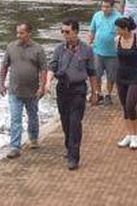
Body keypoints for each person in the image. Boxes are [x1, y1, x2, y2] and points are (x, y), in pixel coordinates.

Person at [45, 18, 95, 170]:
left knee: (75, 123)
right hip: (62, 88)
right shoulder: (59, 49)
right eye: (62, 32)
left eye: (67, 32)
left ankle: (74, 157)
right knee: (65, 121)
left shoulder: (86, 49)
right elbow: (52, 67)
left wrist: (95, 92)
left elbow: (92, 72)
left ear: (76, 32)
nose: (64, 34)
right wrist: (48, 82)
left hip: (78, 89)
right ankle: (69, 146)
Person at [0, 22, 47, 159]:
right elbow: (4, 67)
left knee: (32, 116)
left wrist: (42, 87)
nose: (18, 35)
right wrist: (1, 84)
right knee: (15, 119)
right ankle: (15, 146)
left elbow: (44, 69)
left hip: (32, 92)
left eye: (21, 33)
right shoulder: (11, 47)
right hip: (14, 91)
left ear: (29, 33)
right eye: (17, 33)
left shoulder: (38, 49)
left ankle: (33, 138)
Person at [114, 17, 137, 150]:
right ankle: (128, 134)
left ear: (126, 29)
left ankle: (135, 136)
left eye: (118, 28)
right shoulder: (117, 40)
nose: (117, 31)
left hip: (135, 76)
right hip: (121, 76)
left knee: (130, 105)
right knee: (124, 106)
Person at [88, 0, 121, 106]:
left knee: (111, 76)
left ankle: (108, 94)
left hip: (113, 53)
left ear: (112, 7)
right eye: (103, 6)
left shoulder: (119, 18)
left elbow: (122, 34)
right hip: (98, 51)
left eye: (107, 7)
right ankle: (98, 93)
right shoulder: (97, 16)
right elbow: (92, 31)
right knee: (96, 74)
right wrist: (89, 44)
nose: (104, 9)